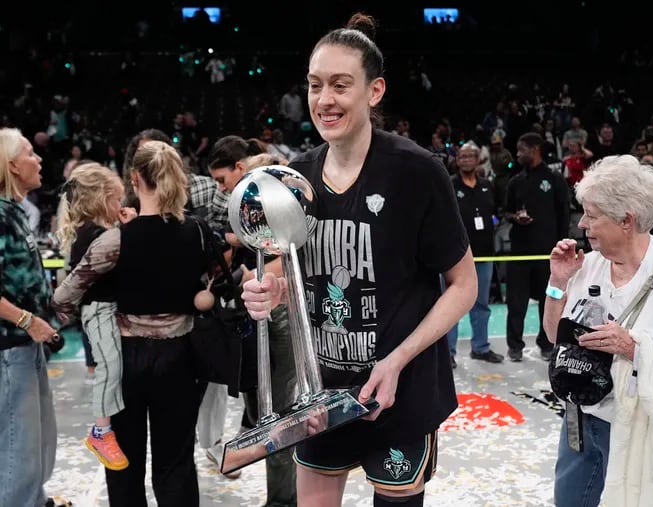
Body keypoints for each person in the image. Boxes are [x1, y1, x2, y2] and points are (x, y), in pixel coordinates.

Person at [241, 13, 477, 507]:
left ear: (374, 92)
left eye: (340, 85)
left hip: (400, 390)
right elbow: (285, 269)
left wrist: (397, 361)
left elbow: (463, 285)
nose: (325, 99)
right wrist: (270, 290)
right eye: (315, 85)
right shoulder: (295, 178)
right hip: (321, 397)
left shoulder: (416, 172)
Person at [543, 155, 653, 506]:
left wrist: (635, 349)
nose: (582, 224)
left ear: (626, 221)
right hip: (579, 424)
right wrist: (557, 283)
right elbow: (554, 337)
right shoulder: (589, 265)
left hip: (639, 435)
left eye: (593, 216)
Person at [53, 140, 208, 505]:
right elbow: (215, 283)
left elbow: (63, 297)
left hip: (126, 360)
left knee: (124, 466)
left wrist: (86, 316)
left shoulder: (114, 240)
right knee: (176, 465)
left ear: (135, 178)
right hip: (182, 357)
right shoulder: (198, 232)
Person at [204, 138, 298, 500]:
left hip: (280, 318)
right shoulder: (247, 215)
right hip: (257, 318)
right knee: (264, 415)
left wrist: (250, 277)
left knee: (278, 416)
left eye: (222, 181)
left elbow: (289, 258)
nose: (222, 189)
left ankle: (283, 499)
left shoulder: (277, 209)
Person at [54, 163, 133, 471]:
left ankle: (105, 426)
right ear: (100, 198)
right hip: (98, 310)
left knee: (113, 364)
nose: (120, 206)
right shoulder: (94, 234)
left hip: (106, 309)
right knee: (109, 366)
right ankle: (100, 430)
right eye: (116, 200)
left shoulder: (95, 231)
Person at [0, 127, 63, 507]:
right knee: (18, 447)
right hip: (10, 347)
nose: (38, 159)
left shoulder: (15, 211)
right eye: (29, 154)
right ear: (11, 165)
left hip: (27, 343)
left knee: (37, 442)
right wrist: (26, 320)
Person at [503, 132, 570, 362]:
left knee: (548, 301)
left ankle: (547, 343)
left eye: (521, 150)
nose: (518, 154)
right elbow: (506, 212)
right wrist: (515, 218)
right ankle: (514, 346)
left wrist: (562, 247)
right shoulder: (515, 181)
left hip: (547, 253)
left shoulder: (554, 179)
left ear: (535, 150)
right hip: (520, 252)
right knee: (516, 302)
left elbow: (564, 213)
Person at [446, 141, 502, 368]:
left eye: (471, 156)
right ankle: (448, 353)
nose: (466, 160)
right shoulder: (449, 185)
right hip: (456, 257)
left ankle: (480, 348)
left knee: (481, 304)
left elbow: (495, 214)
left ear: (478, 159)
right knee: (451, 305)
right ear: (457, 160)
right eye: (462, 156)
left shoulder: (488, 185)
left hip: (484, 255)